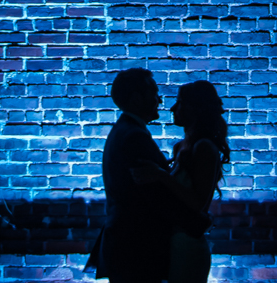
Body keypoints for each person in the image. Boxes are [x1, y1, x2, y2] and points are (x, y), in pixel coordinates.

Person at [132, 79, 228, 283]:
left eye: (180, 102)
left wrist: (161, 175)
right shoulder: (181, 148)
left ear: (196, 108)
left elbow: (199, 203)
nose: (173, 108)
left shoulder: (204, 148)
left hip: (188, 244)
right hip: (173, 240)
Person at [86, 67, 173, 282]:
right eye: (153, 94)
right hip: (137, 248)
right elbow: (158, 195)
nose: (159, 101)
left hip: (125, 245)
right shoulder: (134, 136)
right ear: (136, 98)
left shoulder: (124, 131)